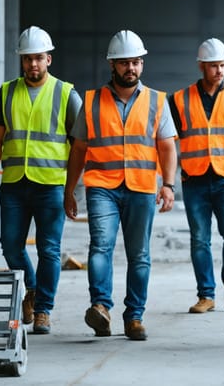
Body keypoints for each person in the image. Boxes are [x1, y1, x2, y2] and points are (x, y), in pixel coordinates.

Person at [64, 29, 177, 341]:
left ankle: (134, 316)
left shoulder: (157, 100)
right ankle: (100, 306)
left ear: (142, 65)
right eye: (125, 62)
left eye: (136, 62)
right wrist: (69, 189)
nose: (132, 68)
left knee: (139, 254)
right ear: (112, 65)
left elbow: (167, 147)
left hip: (141, 187)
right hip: (101, 186)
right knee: (100, 245)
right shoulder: (91, 102)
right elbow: (78, 150)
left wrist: (168, 185)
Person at [0, 26, 83, 335]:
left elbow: (80, 145)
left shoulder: (67, 94)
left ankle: (43, 311)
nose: (32, 65)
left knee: (49, 250)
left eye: (38, 58)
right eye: (27, 59)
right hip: (13, 184)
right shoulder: (8, 91)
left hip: (51, 184)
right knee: (10, 245)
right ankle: (34, 289)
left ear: (48, 59)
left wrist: (71, 190)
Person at [169, 38, 224, 314]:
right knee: (199, 239)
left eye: (222, 65)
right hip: (193, 179)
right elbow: (169, 142)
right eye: (214, 66)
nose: (219, 70)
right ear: (201, 66)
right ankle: (206, 295)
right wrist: (167, 181)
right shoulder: (180, 99)